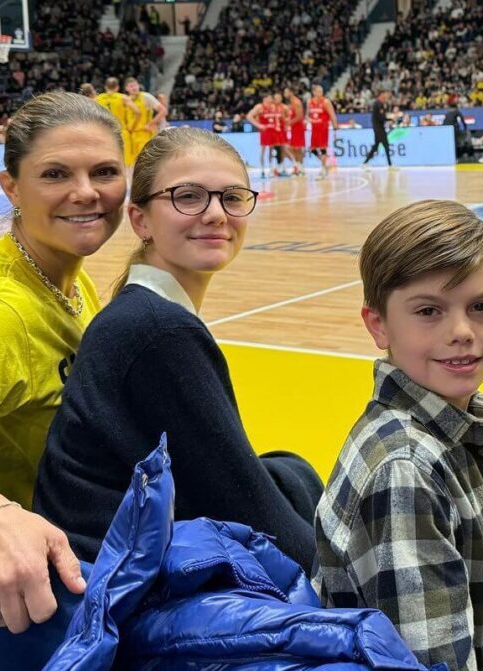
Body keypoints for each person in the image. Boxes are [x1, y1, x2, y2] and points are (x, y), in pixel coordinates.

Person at [33, 127, 322, 572]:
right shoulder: (157, 330)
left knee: (292, 472)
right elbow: (259, 519)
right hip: (117, 593)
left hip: (126, 560)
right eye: (188, 197)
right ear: (140, 219)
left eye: (232, 197)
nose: (216, 214)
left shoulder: (144, 313)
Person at [313, 200, 483, 671]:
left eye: (481, 307)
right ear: (378, 324)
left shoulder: (449, 422)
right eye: (429, 311)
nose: (462, 331)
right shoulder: (405, 473)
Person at [0, 91, 127, 633]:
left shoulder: (69, 277)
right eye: (56, 174)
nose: (85, 192)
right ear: (11, 187)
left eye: (105, 170)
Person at [95, 77, 139, 165]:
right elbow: (137, 112)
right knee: (126, 163)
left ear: (106, 87)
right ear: (117, 87)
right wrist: (132, 127)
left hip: (103, 133)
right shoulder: (123, 98)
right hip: (121, 132)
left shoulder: (97, 99)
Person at [124, 77, 167, 167]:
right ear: (126, 88)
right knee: (131, 167)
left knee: (147, 164)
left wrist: (152, 123)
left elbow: (163, 111)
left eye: (135, 85)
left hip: (145, 134)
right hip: (131, 137)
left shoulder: (146, 97)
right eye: (131, 86)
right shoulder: (126, 100)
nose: (134, 88)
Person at [246, 92, 282, 178]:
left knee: (271, 150)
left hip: (273, 130)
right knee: (263, 151)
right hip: (265, 131)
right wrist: (259, 125)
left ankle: (270, 168)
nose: (271, 99)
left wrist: (277, 126)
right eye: (270, 98)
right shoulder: (259, 106)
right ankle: (262, 170)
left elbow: (276, 118)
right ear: (265, 99)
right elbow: (249, 116)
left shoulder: (273, 106)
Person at [307, 84, 338, 179]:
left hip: (323, 128)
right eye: (319, 91)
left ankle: (323, 170)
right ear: (314, 92)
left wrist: (335, 126)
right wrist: (309, 120)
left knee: (322, 148)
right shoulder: (310, 102)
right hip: (314, 129)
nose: (321, 93)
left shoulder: (326, 102)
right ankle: (325, 164)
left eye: (322, 91)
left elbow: (332, 114)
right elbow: (307, 115)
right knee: (312, 149)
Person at [362, 90, 392, 168]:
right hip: (379, 128)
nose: (386, 97)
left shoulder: (381, 104)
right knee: (386, 145)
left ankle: (365, 163)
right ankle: (390, 165)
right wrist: (390, 118)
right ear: (380, 95)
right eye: (384, 96)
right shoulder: (378, 104)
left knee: (376, 146)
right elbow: (381, 117)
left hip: (378, 128)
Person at [284, 85, 306, 177]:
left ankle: (300, 168)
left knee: (298, 148)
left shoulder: (296, 102)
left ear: (290, 92)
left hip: (298, 128)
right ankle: (297, 167)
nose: (284, 94)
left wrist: (289, 123)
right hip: (294, 128)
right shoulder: (291, 103)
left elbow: (300, 116)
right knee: (293, 148)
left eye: (285, 92)